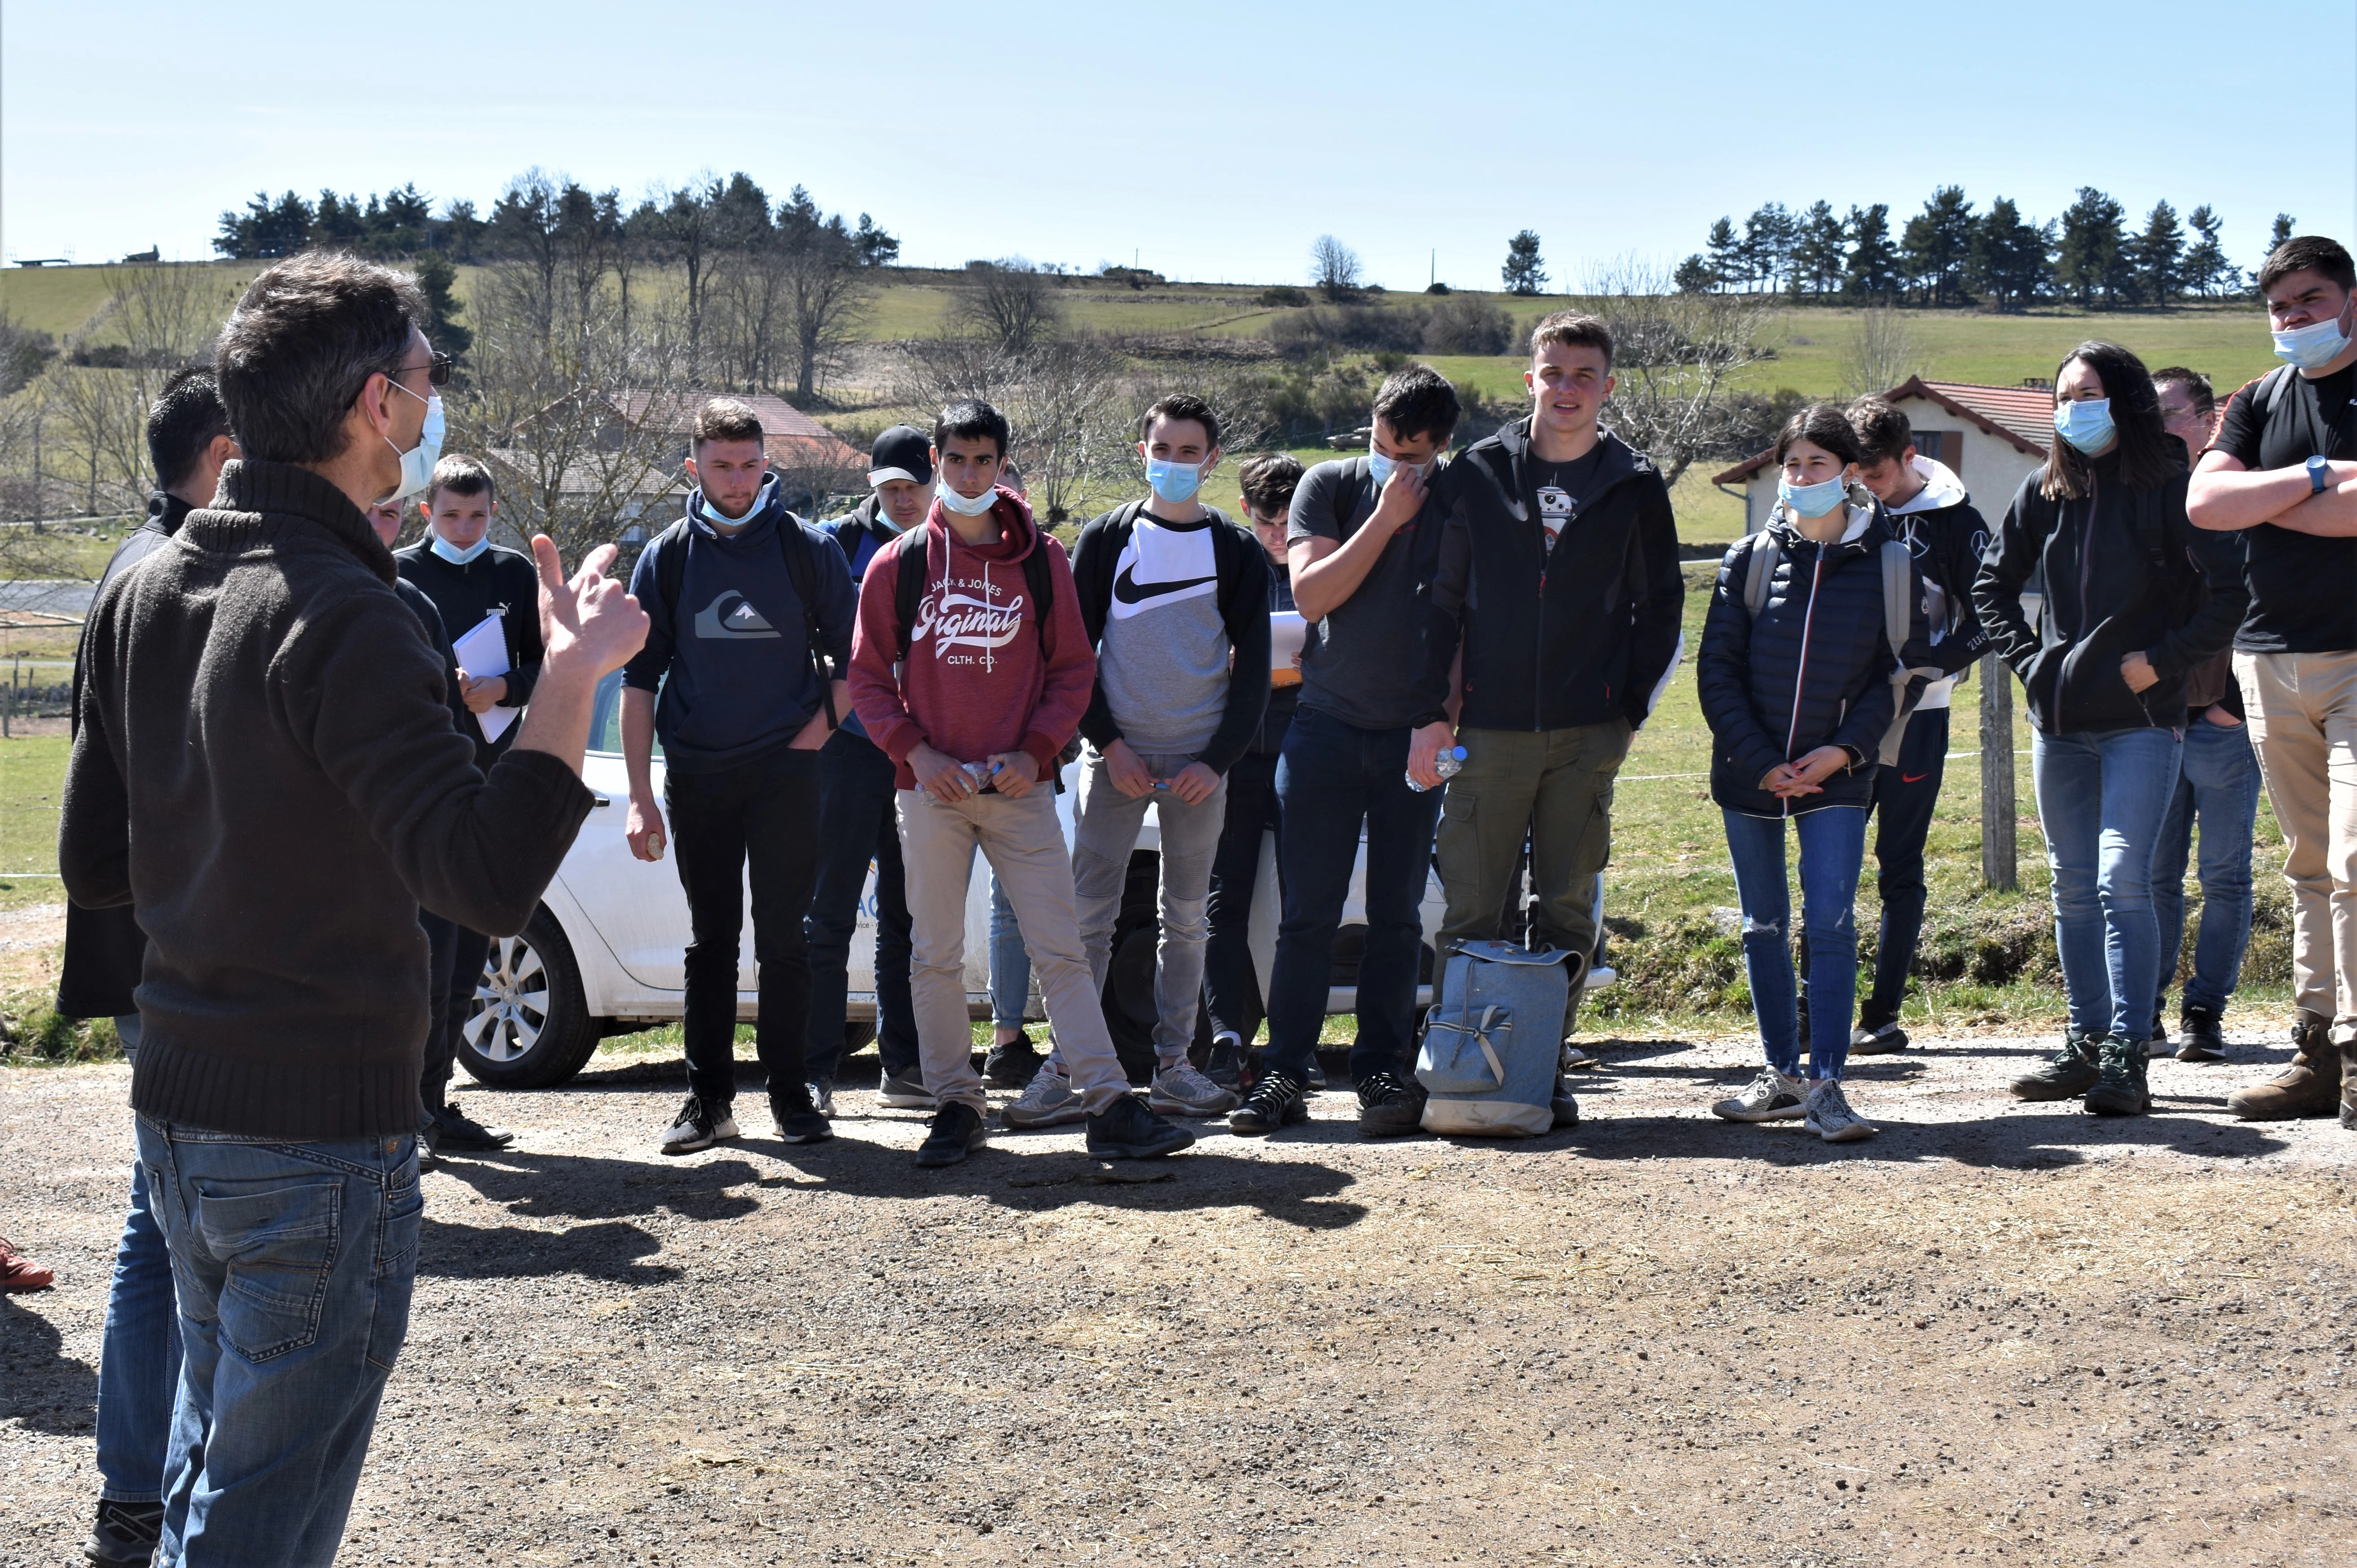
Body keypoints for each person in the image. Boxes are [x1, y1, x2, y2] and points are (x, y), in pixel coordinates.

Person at [60, 249, 645, 1568]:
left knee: (209, 1482)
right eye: (430, 382)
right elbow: (483, 880)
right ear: (378, 406)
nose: (439, 410)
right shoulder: (354, 613)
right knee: (255, 1528)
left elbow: (96, 865)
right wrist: (573, 676)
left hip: (179, 1103)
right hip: (314, 1137)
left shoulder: (147, 584)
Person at [847, 399, 1194, 1167]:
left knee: (1061, 949)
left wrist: (1036, 748)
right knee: (934, 956)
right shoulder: (897, 563)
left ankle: (1106, 1104)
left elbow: (1074, 671)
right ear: (936, 462)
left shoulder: (1041, 560)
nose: (969, 475)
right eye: (956, 460)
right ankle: (954, 1106)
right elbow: (867, 682)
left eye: (984, 461)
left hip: (1021, 789)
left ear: (1004, 465)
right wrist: (918, 754)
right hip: (929, 793)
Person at [1415, 312, 1684, 1125]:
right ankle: (1463, 1070)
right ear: (1528, 377)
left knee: (1566, 911)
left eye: (1583, 376)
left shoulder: (1634, 484)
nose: (1565, 389)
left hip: (1585, 732)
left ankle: (1539, 1067)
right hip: (1489, 731)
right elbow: (1440, 599)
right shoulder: (1477, 474)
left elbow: (1661, 604)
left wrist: (1626, 711)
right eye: (1552, 372)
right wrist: (1434, 711)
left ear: (1605, 386)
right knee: (1470, 911)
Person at [58, 369, 234, 1568]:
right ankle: (146, 1494)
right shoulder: (167, 577)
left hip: (160, 951)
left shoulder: (145, 559)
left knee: (165, 1219)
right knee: (171, 1228)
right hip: (175, 957)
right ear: (227, 454)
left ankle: (145, 1492)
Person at [1977, 341, 2246, 1116]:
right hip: (2058, 724)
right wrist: (2031, 664)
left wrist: (2163, 661)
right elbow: (1991, 584)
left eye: (2086, 391)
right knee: (2071, 891)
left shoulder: (2173, 486)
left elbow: (2229, 593)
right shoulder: (2043, 487)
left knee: (2120, 881)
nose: (2072, 408)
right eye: (2063, 395)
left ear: (2123, 397)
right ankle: (2084, 1042)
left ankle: (2130, 1056)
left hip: (2140, 723)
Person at [1009, 393, 1270, 1126]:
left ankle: (1174, 1069)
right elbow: (1071, 657)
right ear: (1142, 453)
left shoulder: (1235, 549)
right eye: (1164, 450)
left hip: (1199, 770)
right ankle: (1065, 1068)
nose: (1176, 464)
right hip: (1113, 761)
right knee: (1084, 921)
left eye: (1191, 453)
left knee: (1184, 922)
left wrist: (1216, 761)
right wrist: (1108, 741)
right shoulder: (1106, 538)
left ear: (1211, 461)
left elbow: (1251, 673)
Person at [621, 398, 857, 1154]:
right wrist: (637, 797)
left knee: (785, 939)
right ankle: (707, 1103)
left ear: (766, 465)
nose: (737, 480)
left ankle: (791, 1098)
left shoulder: (807, 549)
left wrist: (807, 744)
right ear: (694, 468)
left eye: (749, 465)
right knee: (710, 940)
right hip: (697, 773)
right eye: (721, 466)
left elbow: (858, 667)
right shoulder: (668, 555)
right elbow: (638, 682)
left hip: (786, 776)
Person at [1230, 366, 1459, 1140]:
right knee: (1306, 917)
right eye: (1383, 447)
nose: (1395, 466)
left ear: (1441, 448)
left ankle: (1381, 1066)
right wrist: (1387, 517)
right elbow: (1314, 595)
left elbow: (1471, 622)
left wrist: (1443, 720)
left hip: (1414, 732)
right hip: (1324, 728)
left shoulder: (1459, 496)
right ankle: (1286, 1070)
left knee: (1397, 917)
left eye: (1412, 458)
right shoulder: (1326, 484)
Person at [1699, 405, 1926, 1143]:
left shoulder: (1890, 564)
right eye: (1790, 465)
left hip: (1840, 774)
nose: (1800, 479)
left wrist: (1841, 754)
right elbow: (1716, 672)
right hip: (1748, 775)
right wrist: (1762, 762)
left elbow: (1895, 678)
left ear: (1850, 474)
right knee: (1762, 924)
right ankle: (1780, 1076)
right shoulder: (1748, 560)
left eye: (1816, 466)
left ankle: (1828, 1083)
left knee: (1829, 922)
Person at [2186, 235, 2357, 1128]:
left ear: (2349, 298)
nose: (2293, 318)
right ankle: (2314, 1050)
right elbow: (2206, 503)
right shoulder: (2256, 398)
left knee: (2356, 856)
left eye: (2310, 298)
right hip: (2266, 659)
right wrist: (2318, 478)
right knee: (2306, 864)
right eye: (2279, 306)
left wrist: (2268, 493)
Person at [393, 454, 542, 1156]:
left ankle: (438, 1103)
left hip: (489, 780)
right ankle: (405, 1111)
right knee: (421, 957)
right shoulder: (398, 574)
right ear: (427, 513)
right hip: (419, 790)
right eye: (451, 515)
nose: (465, 528)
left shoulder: (515, 574)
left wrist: (503, 687)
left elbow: (549, 665)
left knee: (466, 957)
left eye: (478, 515)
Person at [1840, 397, 1991, 1052]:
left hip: (1917, 719)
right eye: (1854, 474)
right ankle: (1820, 1006)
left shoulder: (1959, 521)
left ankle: (1884, 1014)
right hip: (1839, 720)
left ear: (1907, 457)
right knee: (1829, 865)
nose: (1862, 487)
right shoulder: (1836, 509)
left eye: (1873, 475)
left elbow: (1989, 615)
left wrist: (1938, 664)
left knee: (1897, 865)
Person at [804, 426, 934, 1113]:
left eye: (913, 488)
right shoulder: (830, 545)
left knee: (908, 917)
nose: (901, 500)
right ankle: (815, 1071)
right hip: (848, 750)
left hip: (919, 751)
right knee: (826, 915)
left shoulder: (949, 544)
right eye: (889, 488)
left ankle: (904, 1066)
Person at [2149, 368, 2260, 1063]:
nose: (2157, 425)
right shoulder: (2134, 498)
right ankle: (2147, 1010)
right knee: (2152, 878)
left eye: (2168, 413)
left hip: (2220, 727)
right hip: (2152, 726)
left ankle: (2204, 1012)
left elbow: (2266, 597)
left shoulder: (2239, 495)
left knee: (2223, 876)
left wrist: (2231, 704)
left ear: (2206, 418)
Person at [1203, 452, 1304, 1087]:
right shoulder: (1226, 561)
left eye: (1289, 522)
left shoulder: (1325, 559)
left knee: (1303, 902)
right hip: (1234, 747)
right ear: (1246, 511)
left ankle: (1297, 1044)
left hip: (1305, 742)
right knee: (1223, 901)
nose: (1277, 535)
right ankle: (1225, 1040)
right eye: (1266, 521)